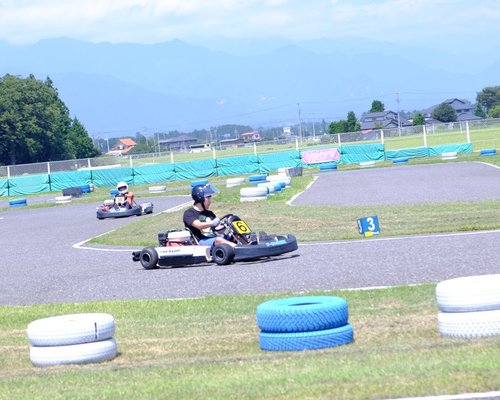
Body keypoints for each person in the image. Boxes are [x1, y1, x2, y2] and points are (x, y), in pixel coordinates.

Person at [183, 183, 236, 249]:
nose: (210, 201)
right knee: (218, 240)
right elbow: (199, 225)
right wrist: (212, 223)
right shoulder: (189, 213)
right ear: (201, 199)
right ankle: (239, 249)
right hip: (201, 242)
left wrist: (224, 225)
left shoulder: (209, 213)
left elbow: (218, 231)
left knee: (234, 235)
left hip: (214, 239)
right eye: (208, 198)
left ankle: (249, 246)